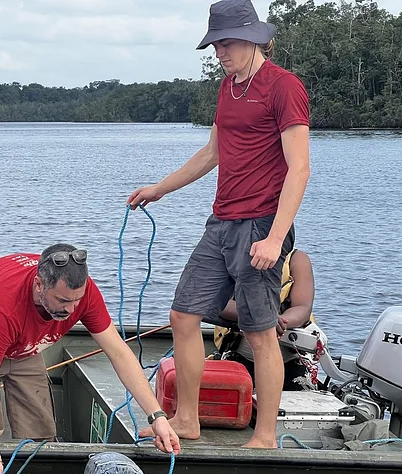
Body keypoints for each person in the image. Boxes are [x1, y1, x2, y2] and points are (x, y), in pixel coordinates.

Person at [127, 0, 311, 448]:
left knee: (260, 332)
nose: (220, 54)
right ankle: (187, 420)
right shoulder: (228, 87)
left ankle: (265, 435)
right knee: (183, 315)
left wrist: (273, 238)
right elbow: (212, 153)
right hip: (221, 223)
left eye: (227, 44)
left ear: (253, 39)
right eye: (215, 45)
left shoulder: (284, 87)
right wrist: (161, 187)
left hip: (261, 225)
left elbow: (299, 168)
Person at [0, 243, 180, 474]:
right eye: (63, 301)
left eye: (77, 300)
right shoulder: (2, 306)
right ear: (39, 284)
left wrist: (157, 417)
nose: (71, 309)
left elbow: (119, 353)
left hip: (24, 343)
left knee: (40, 435)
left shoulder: (81, 294)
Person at [214, 248, 317, 390]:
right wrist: (261, 317)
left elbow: (303, 307)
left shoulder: (297, 259)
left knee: (301, 395)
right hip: (239, 352)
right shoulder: (229, 254)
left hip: (289, 356)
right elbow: (220, 303)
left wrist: (280, 321)